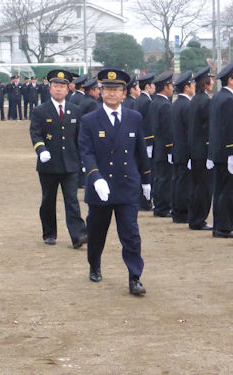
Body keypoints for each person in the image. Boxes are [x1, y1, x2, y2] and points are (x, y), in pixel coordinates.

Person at [79, 68, 151, 295]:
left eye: (116, 90)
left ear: (124, 93)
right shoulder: (89, 120)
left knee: (130, 234)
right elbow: (86, 152)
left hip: (127, 185)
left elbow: (141, 151)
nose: (111, 94)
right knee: (97, 231)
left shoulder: (134, 117)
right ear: (100, 92)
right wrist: (95, 177)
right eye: (107, 89)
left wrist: (147, 180)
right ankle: (95, 264)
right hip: (100, 187)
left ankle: (135, 276)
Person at [29, 69, 87, 249]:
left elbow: (80, 137)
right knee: (48, 200)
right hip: (48, 164)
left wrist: (83, 160)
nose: (59, 89)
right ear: (49, 88)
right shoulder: (40, 110)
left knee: (72, 200)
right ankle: (49, 233)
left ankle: (78, 235)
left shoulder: (75, 110)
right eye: (55, 86)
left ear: (68, 89)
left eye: (62, 86)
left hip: (70, 164)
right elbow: (35, 134)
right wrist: (41, 150)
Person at [208, 62, 233, 238]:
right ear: (230, 80)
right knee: (228, 191)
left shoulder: (217, 97)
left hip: (217, 152)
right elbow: (229, 128)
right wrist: (232, 152)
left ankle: (219, 225)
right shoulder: (228, 99)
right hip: (226, 152)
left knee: (220, 190)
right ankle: (225, 227)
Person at [187, 66, 214, 231]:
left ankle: (194, 218)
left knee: (196, 185)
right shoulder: (205, 101)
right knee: (203, 187)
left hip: (194, 149)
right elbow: (208, 128)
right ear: (206, 82)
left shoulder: (195, 100)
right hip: (203, 149)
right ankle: (199, 219)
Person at [146, 71, 174, 217]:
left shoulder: (155, 102)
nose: (173, 89)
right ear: (165, 87)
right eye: (171, 85)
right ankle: (163, 207)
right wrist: (170, 149)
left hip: (157, 146)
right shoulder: (165, 105)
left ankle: (159, 205)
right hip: (164, 147)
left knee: (159, 177)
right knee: (164, 178)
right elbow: (168, 129)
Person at [171, 71, 194, 223]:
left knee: (179, 180)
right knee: (184, 182)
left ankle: (177, 210)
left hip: (177, 147)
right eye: (192, 85)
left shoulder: (175, 104)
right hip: (185, 149)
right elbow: (189, 130)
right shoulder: (186, 105)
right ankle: (182, 212)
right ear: (186, 87)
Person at [134, 73, 155, 211]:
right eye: (152, 85)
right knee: (146, 172)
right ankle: (145, 201)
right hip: (145, 141)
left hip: (138, 140)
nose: (154, 87)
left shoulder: (139, 100)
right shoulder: (146, 101)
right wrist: (149, 143)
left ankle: (142, 200)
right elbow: (147, 124)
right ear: (147, 86)